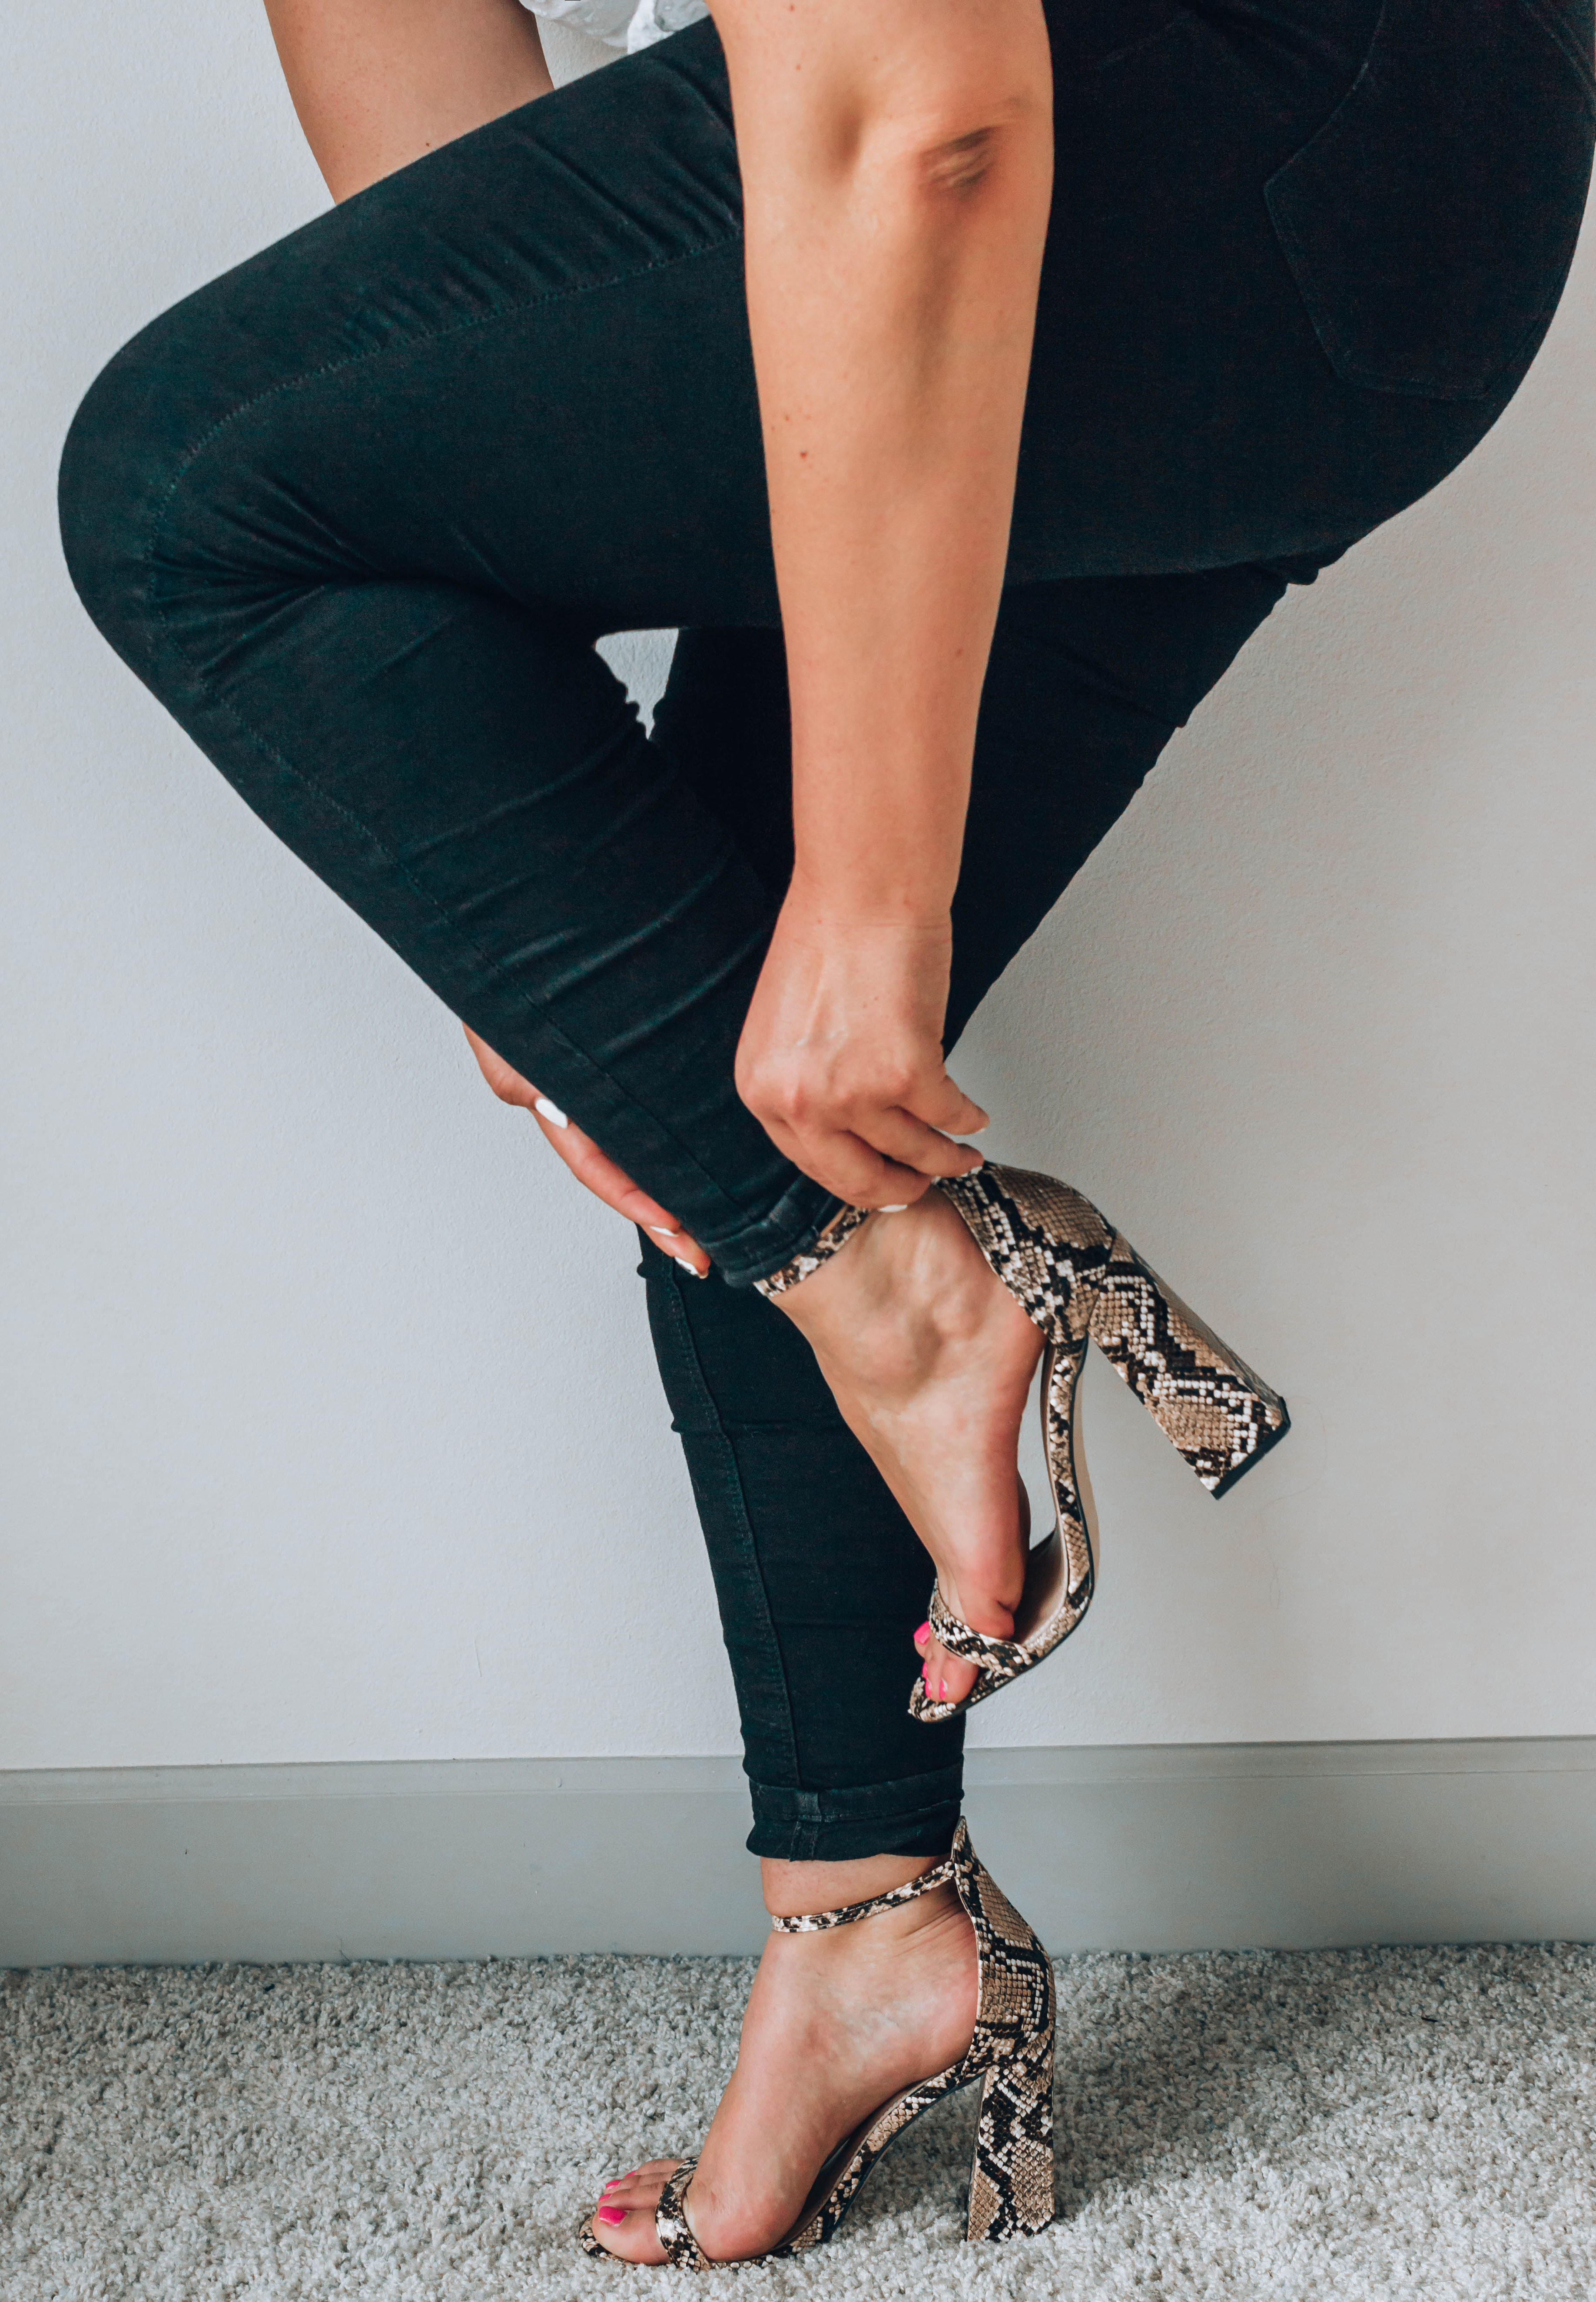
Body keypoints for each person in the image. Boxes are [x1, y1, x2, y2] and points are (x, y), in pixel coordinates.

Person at [58, 0, 1593, 2265]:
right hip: (1357, 179)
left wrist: (863, 917)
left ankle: (916, 1284)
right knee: (703, 954)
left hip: (1218, 113)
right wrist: (479, 798)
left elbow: (930, 99)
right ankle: (873, 1917)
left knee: (188, 495)